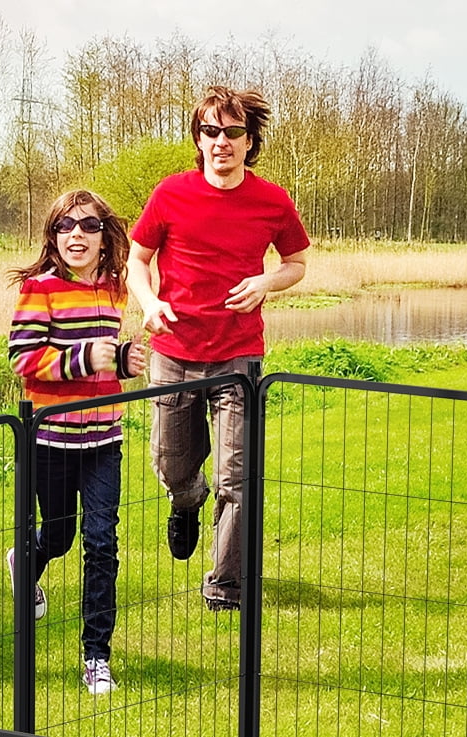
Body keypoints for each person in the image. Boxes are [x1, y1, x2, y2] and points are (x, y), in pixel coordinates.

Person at [127, 87, 310, 612]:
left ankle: (225, 586)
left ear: (250, 141)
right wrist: (149, 301)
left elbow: (297, 262)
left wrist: (266, 282)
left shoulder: (272, 200)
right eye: (211, 131)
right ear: (198, 138)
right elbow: (137, 262)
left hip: (238, 357)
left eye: (232, 132)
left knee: (239, 478)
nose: (221, 142)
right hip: (173, 351)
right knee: (170, 463)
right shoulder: (170, 194)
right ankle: (185, 501)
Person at [6, 189, 146, 695]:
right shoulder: (38, 289)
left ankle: (96, 656)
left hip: (105, 438)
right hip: (50, 438)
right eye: (66, 226)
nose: (77, 236)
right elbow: (23, 359)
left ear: (105, 235)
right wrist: (90, 358)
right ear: (53, 235)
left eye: (88, 226)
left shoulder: (115, 288)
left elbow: (108, 356)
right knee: (60, 537)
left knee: (102, 542)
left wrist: (126, 359)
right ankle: (27, 560)